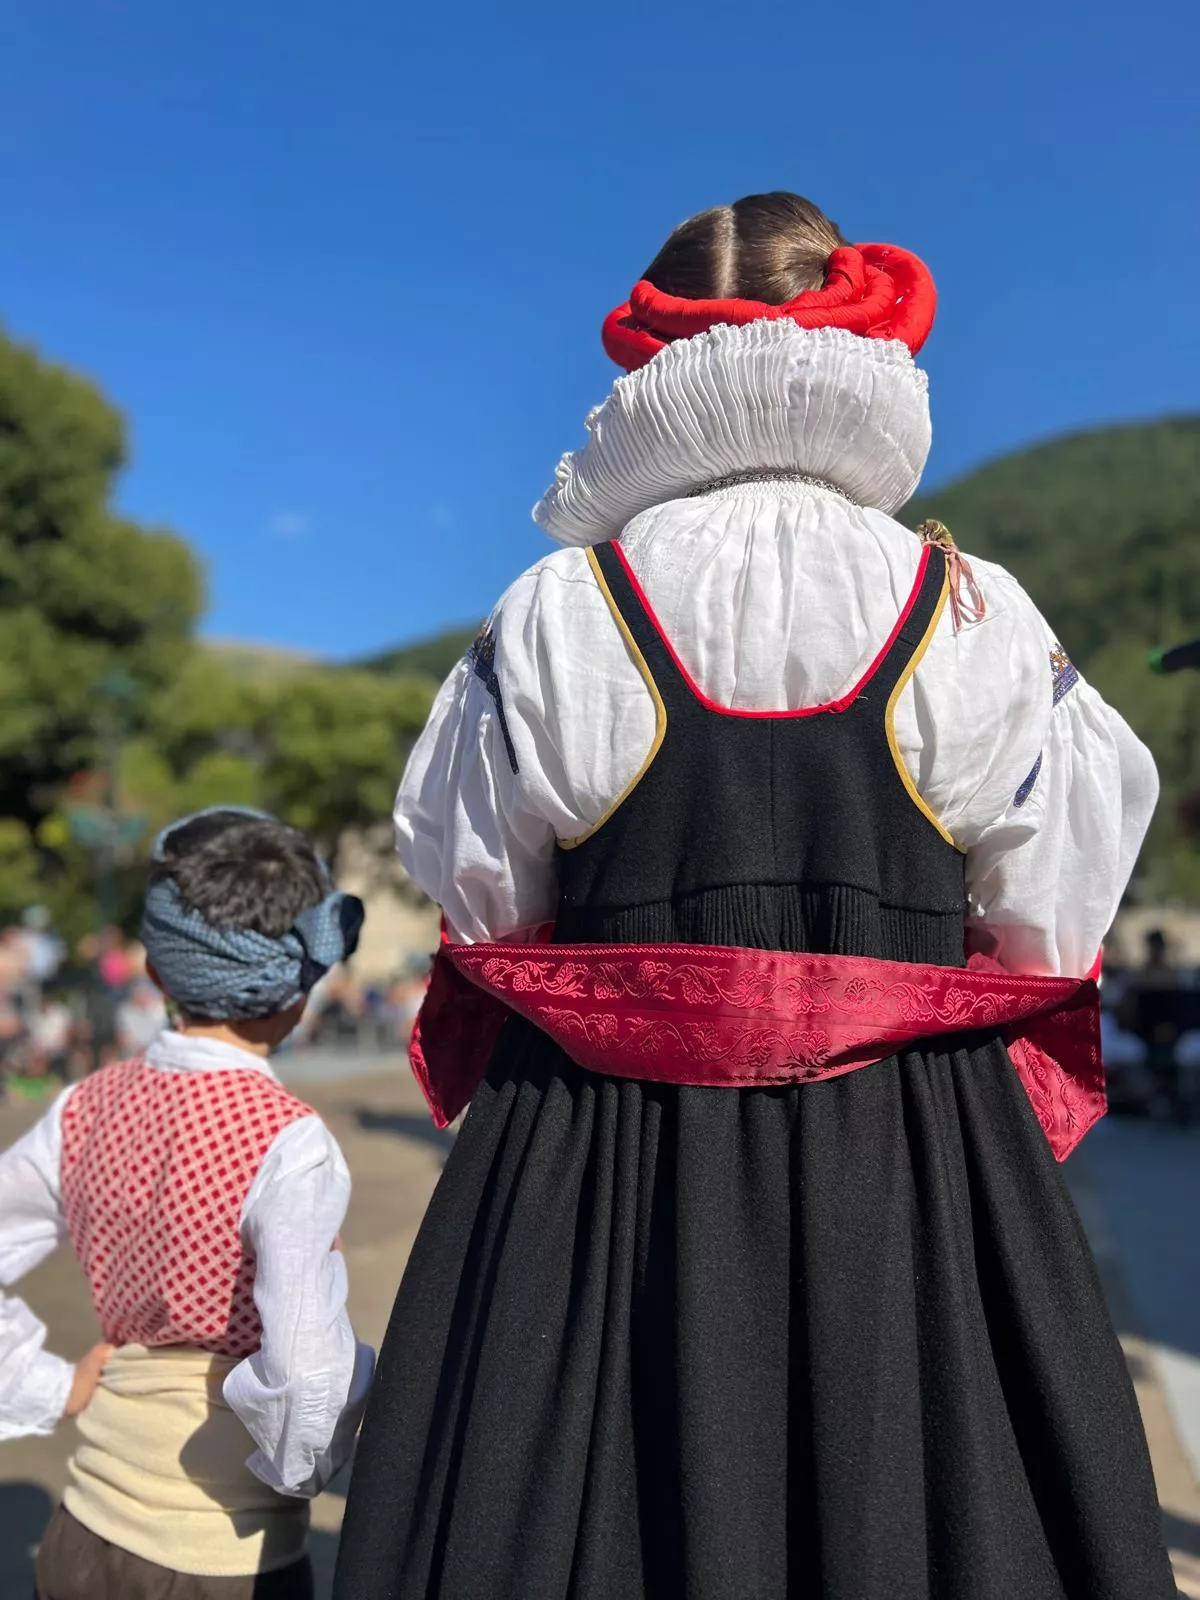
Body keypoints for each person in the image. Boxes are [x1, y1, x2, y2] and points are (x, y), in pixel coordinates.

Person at [334, 194, 1174, 1599]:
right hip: (906, 1151)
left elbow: (481, 900)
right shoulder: (978, 608)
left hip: (601, 1151)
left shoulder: (557, 606)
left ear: (652, 369)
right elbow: (1049, 921)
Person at [0, 806, 374, 1600]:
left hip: (81, 1532)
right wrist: (294, 1472)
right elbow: (308, 1375)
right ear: (303, 989)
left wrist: (42, 1384)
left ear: (157, 972)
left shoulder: (84, 1107)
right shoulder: (288, 1142)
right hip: (221, 1555)